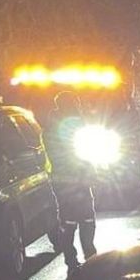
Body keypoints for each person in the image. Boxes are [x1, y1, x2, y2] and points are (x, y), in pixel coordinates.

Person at [42, 91, 97, 270]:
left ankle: (77, 259)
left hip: (68, 182)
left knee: (76, 221)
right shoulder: (64, 127)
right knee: (77, 221)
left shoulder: (56, 127)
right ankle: (84, 258)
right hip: (72, 182)